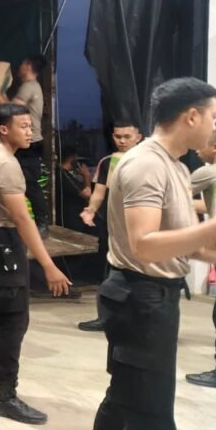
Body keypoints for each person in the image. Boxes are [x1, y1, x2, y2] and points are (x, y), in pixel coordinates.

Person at [77, 77, 216, 430]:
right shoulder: (144, 165)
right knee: (151, 417)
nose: (215, 126)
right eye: (213, 116)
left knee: (126, 398)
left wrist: (209, 247)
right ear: (191, 116)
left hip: (152, 296)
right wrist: (210, 230)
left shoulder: (175, 166)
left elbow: (179, 242)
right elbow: (144, 243)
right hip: (141, 299)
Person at [0, 103, 70, 425]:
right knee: (14, 318)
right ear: (3, 129)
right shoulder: (5, 164)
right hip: (3, 243)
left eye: (30, 126)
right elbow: (23, 219)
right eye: (23, 126)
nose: (29, 131)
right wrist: (48, 264)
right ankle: (4, 396)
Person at [77, 121, 143, 331]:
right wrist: (91, 210)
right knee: (110, 272)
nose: (122, 141)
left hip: (141, 225)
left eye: (127, 136)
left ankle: (138, 320)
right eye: (117, 136)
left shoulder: (147, 160)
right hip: (114, 226)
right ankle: (106, 317)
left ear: (138, 137)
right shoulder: (108, 162)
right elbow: (99, 192)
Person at [0, 55, 49, 236]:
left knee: (29, 184)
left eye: (22, 63)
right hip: (27, 142)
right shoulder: (30, 87)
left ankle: (42, 223)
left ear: (28, 65)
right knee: (15, 181)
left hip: (28, 143)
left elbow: (12, 114)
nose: (19, 66)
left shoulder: (29, 87)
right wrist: (1, 94)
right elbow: (11, 106)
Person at [184, 128, 216, 388]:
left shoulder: (208, 172)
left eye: (202, 145)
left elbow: (174, 195)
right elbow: (208, 205)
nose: (197, 150)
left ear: (215, 147)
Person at [58, 146, 92, 231]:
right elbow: (86, 194)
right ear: (72, 158)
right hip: (71, 217)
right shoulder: (63, 176)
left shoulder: (65, 174)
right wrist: (87, 176)